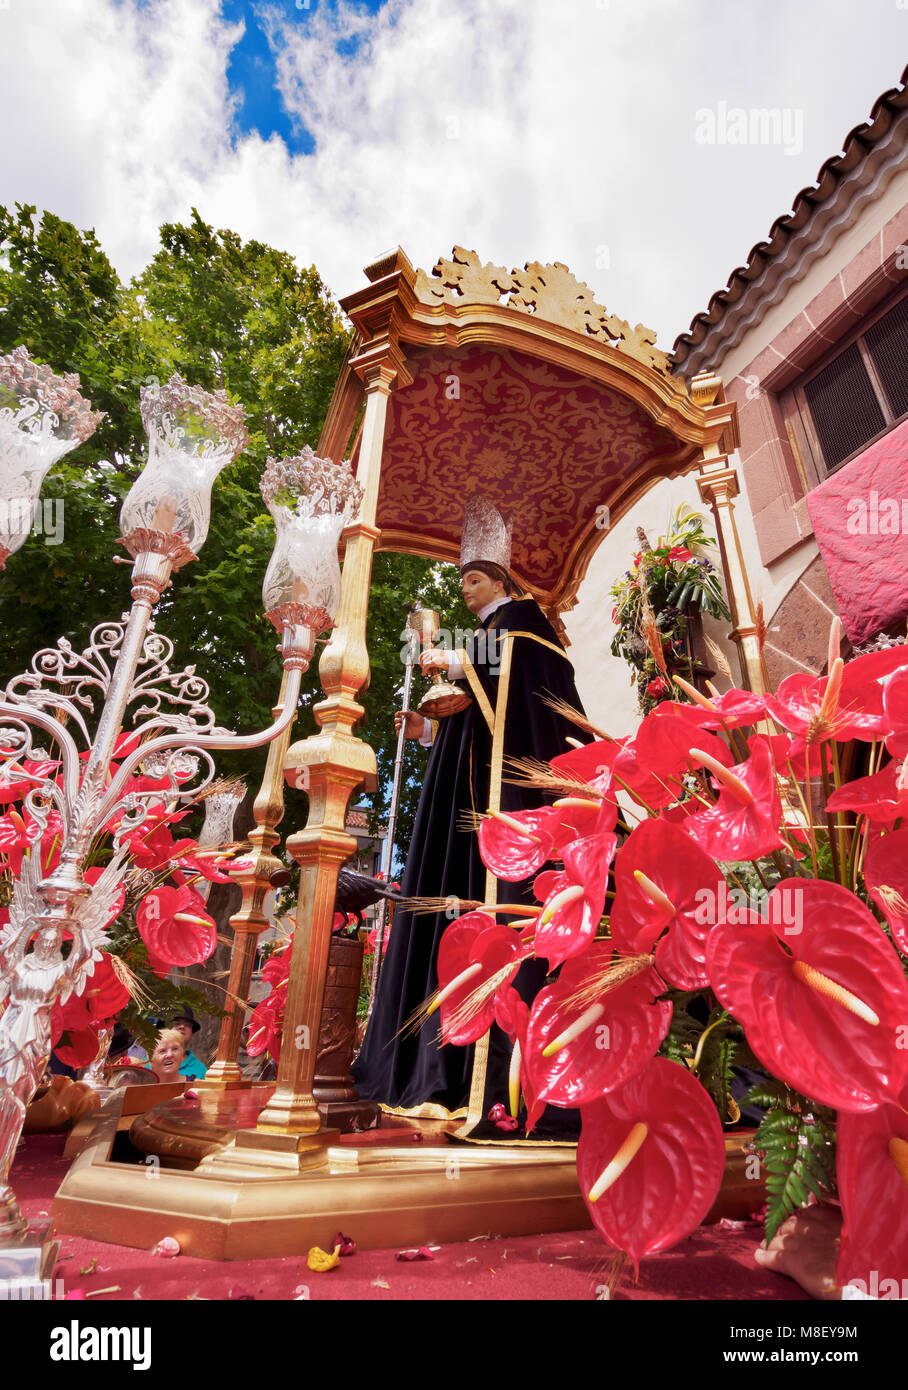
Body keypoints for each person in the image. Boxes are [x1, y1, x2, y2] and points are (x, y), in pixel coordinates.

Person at [353, 495, 589, 1132]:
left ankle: (500, 1074)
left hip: (506, 801)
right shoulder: (484, 633)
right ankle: (434, 1063)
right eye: (461, 577)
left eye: (475, 576)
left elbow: (537, 687)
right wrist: (428, 730)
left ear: (501, 580)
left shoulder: (521, 621)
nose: (464, 586)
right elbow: (475, 727)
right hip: (461, 798)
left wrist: (461, 663)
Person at [167, 1005, 208, 1079]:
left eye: (188, 1024)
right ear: (165, 1027)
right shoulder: (148, 1064)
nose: (182, 1026)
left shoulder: (200, 1069)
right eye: (176, 1023)